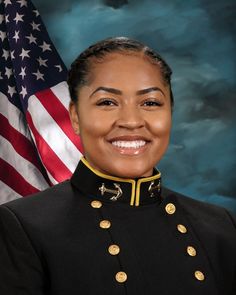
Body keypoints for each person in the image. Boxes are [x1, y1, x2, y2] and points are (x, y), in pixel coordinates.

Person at [0, 37, 235, 295]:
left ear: (170, 113)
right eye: (107, 103)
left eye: (150, 103)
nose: (131, 121)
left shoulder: (222, 227)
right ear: (75, 116)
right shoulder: (22, 226)